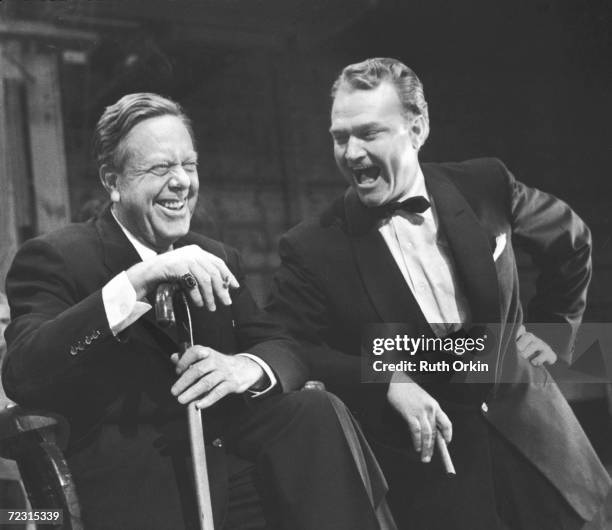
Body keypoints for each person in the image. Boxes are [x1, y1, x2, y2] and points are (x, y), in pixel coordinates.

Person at [2, 93, 392, 530]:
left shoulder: (214, 255)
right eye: (160, 168)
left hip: (229, 473)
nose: (182, 182)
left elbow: (282, 344)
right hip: (136, 494)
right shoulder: (57, 257)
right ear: (113, 181)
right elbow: (23, 371)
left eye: (189, 165)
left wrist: (246, 366)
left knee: (314, 410)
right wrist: (137, 282)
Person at [267, 57, 611, 529]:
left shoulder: (484, 184)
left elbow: (572, 242)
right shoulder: (312, 245)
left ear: (418, 128)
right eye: (340, 136)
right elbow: (289, 347)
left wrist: (553, 333)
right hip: (439, 481)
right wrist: (386, 377)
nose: (351, 153)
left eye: (370, 133)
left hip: (546, 451)